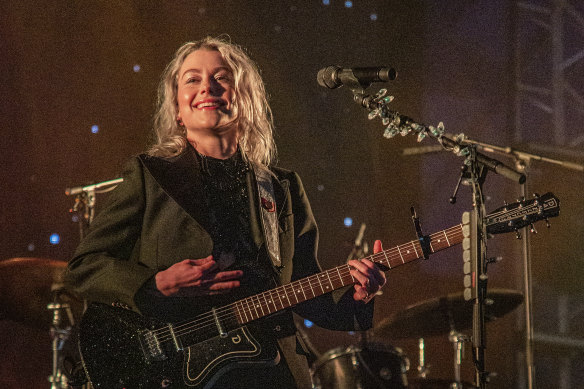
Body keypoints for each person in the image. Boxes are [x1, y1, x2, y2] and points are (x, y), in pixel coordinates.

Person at [65, 36, 386, 388]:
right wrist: (156, 284)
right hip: (177, 372)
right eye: (192, 79)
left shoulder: (282, 187)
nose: (207, 87)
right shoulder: (150, 176)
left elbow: (302, 287)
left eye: (222, 77)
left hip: (272, 368)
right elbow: (84, 268)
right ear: (177, 108)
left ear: (245, 98)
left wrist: (359, 295)